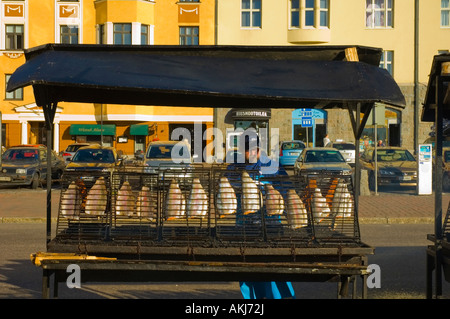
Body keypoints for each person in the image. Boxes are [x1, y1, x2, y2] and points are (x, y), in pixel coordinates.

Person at [226, 133, 296, 299]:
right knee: (247, 270)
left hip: (271, 226)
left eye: (254, 149)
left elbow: (288, 192)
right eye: (246, 150)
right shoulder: (234, 168)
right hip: (244, 226)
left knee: (273, 269)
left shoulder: (272, 166)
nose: (250, 153)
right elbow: (226, 190)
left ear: (259, 149)